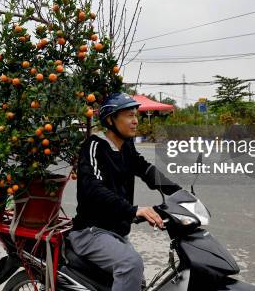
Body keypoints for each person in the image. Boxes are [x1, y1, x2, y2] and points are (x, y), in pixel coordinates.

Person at [68, 92, 182, 291]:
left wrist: (178, 193)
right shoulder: (94, 146)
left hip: (116, 232)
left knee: (139, 283)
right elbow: (93, 188)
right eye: (129, 115)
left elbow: (146, 170)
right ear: (111, 119)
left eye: (136, 115)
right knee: (130, 264)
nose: (135, 121)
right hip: (91, 231)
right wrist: (134, 210)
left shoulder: (127, 146)